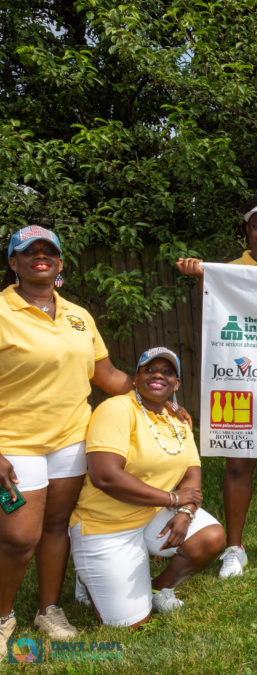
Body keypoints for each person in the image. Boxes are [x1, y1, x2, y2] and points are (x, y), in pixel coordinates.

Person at [0, 226, 142, 653]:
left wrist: (157, 396)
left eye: (49, 252)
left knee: (56, 527)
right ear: (14, 263)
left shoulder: (79, 315)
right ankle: (3, 615)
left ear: (60, 263)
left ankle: (48, 609)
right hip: (13, 442)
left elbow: (108, 375)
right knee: (19, 536)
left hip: (70, 438)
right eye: (30, 252)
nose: (40, 258)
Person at [176, 191, 257, 577]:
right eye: (256, 226)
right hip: (236, 376)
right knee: (238, 459)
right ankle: (234, 547)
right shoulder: (226, 269)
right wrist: (198, 272)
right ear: (247, 230)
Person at [69, 347, 224, 627]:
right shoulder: (116, 409)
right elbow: (105, 476)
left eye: (167, 372)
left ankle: (156, 586)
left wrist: (186, 512)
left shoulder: (177, 420)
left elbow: (192, 473)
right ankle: (87, 578)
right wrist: (173, 498)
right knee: (129, 625)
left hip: (152, 516)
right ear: (136, 378)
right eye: (149, 369)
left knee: (210, 537)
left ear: (176, 384)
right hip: (106, 525)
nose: (157, 375)